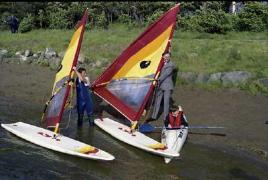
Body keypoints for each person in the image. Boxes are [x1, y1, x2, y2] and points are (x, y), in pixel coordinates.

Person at [151, 51, 175, 123]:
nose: (167, 58)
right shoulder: (160, 64)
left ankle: (166, 118)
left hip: (167, 86)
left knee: (166, 102)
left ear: (170, 57)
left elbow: (165, 74)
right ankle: (154, 116)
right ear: (163, 57)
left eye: (168, 56)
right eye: (165, 56)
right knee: (157, 101)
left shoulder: (171, 65)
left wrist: (157, 79)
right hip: (160, 85)